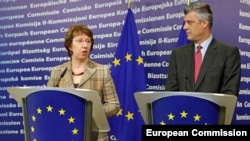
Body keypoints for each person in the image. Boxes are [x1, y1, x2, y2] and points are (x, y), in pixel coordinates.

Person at [47, 23, 120, 141]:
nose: (85, 45)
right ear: (70, 46)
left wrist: (90, 113)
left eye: (88, 41)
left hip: (94, 135)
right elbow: (47, 101)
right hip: (65, 133)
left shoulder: (102, 71)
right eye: (80, 41)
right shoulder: (57, 71)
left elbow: (114, 105)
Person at [165, 2, 241, 96]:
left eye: (190, 22)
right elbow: (170, 92)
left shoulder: (228, 53)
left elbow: (229, 94)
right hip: (183, 110)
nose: (185, 27)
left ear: (204, 23)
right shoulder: (178, 54)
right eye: (185, 22)